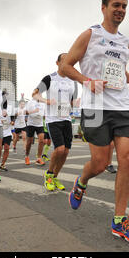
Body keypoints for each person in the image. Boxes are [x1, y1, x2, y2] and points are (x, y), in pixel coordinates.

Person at [61, 0, 129, 244]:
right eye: (116, 5)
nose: (120, 10)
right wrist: (88, 81)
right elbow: (65, 67)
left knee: (128, 158)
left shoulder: (125, 42)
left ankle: (119, 220)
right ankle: (81, 181)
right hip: (95, 108)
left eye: (124, 6)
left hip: (122, 105)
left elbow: (119, 69)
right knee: (99, 163)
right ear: (104, 7)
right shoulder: (90, 35)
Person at [34, 53, 77, 192]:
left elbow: (72, 101)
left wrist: (76, 103)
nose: (66, 63)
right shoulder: (49, 78)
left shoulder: (72, 81)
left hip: (66, 119)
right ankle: (49, 175)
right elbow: (34, 94)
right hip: (53, 119)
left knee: (65, 152)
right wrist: (46, 100)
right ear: (57, 63)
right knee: (59, 149)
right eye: (63, 60)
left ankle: (55, 176)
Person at [24, 96, 46, 166]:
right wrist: (31, 112)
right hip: (31, 124)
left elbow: (45, 114)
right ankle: (27, 156)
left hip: (39, 124)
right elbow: (26, 112)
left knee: (41, 141)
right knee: (29, 142)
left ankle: (39, 158)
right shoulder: (30, 102)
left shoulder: (43, 103)